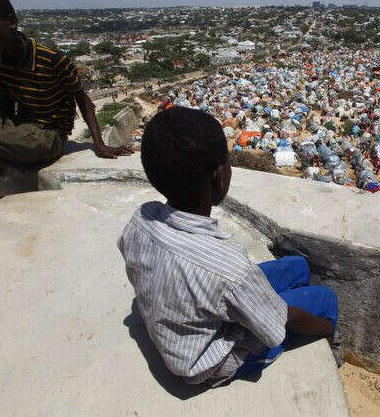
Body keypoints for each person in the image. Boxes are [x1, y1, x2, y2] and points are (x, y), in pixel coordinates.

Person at [118, 107, 339, 386]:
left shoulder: (141, 218)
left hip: (192, 315)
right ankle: (333, 343)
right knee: (326, 299)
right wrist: (325, 328)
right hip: (209, 362)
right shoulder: (230, 269)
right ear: (219, 177)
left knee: (298, 266)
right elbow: (278, 324)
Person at [0, 0, 132, 202]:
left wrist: (99, 145)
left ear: (11, 21)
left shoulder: (52, 59)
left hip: (48, 135)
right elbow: (5, 97)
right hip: (18, 124)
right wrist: (2, 135)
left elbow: (83, 100)